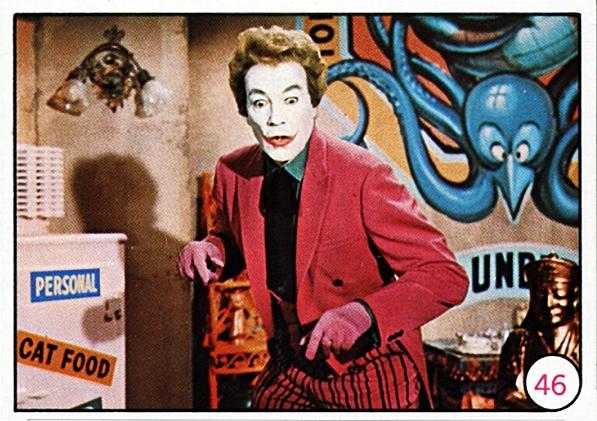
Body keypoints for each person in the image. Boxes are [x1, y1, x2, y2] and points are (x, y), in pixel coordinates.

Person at [177, 25, 469, 410]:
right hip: (289, 364)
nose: (276, 119)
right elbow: (233, 238)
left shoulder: (363, 174)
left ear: (313, 104)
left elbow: (445, 276)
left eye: (291, 100)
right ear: (244, 109)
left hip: (370, 368)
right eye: (260, 103)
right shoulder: (234, 172)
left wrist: (361, 314)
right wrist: (211, 250)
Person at [496, 253, 579, 409]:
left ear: (573, 295)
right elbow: (505, 395)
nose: (548, 303)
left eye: (558, 295)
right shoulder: (519, 341)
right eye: (540, 294)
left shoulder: (586, 340)